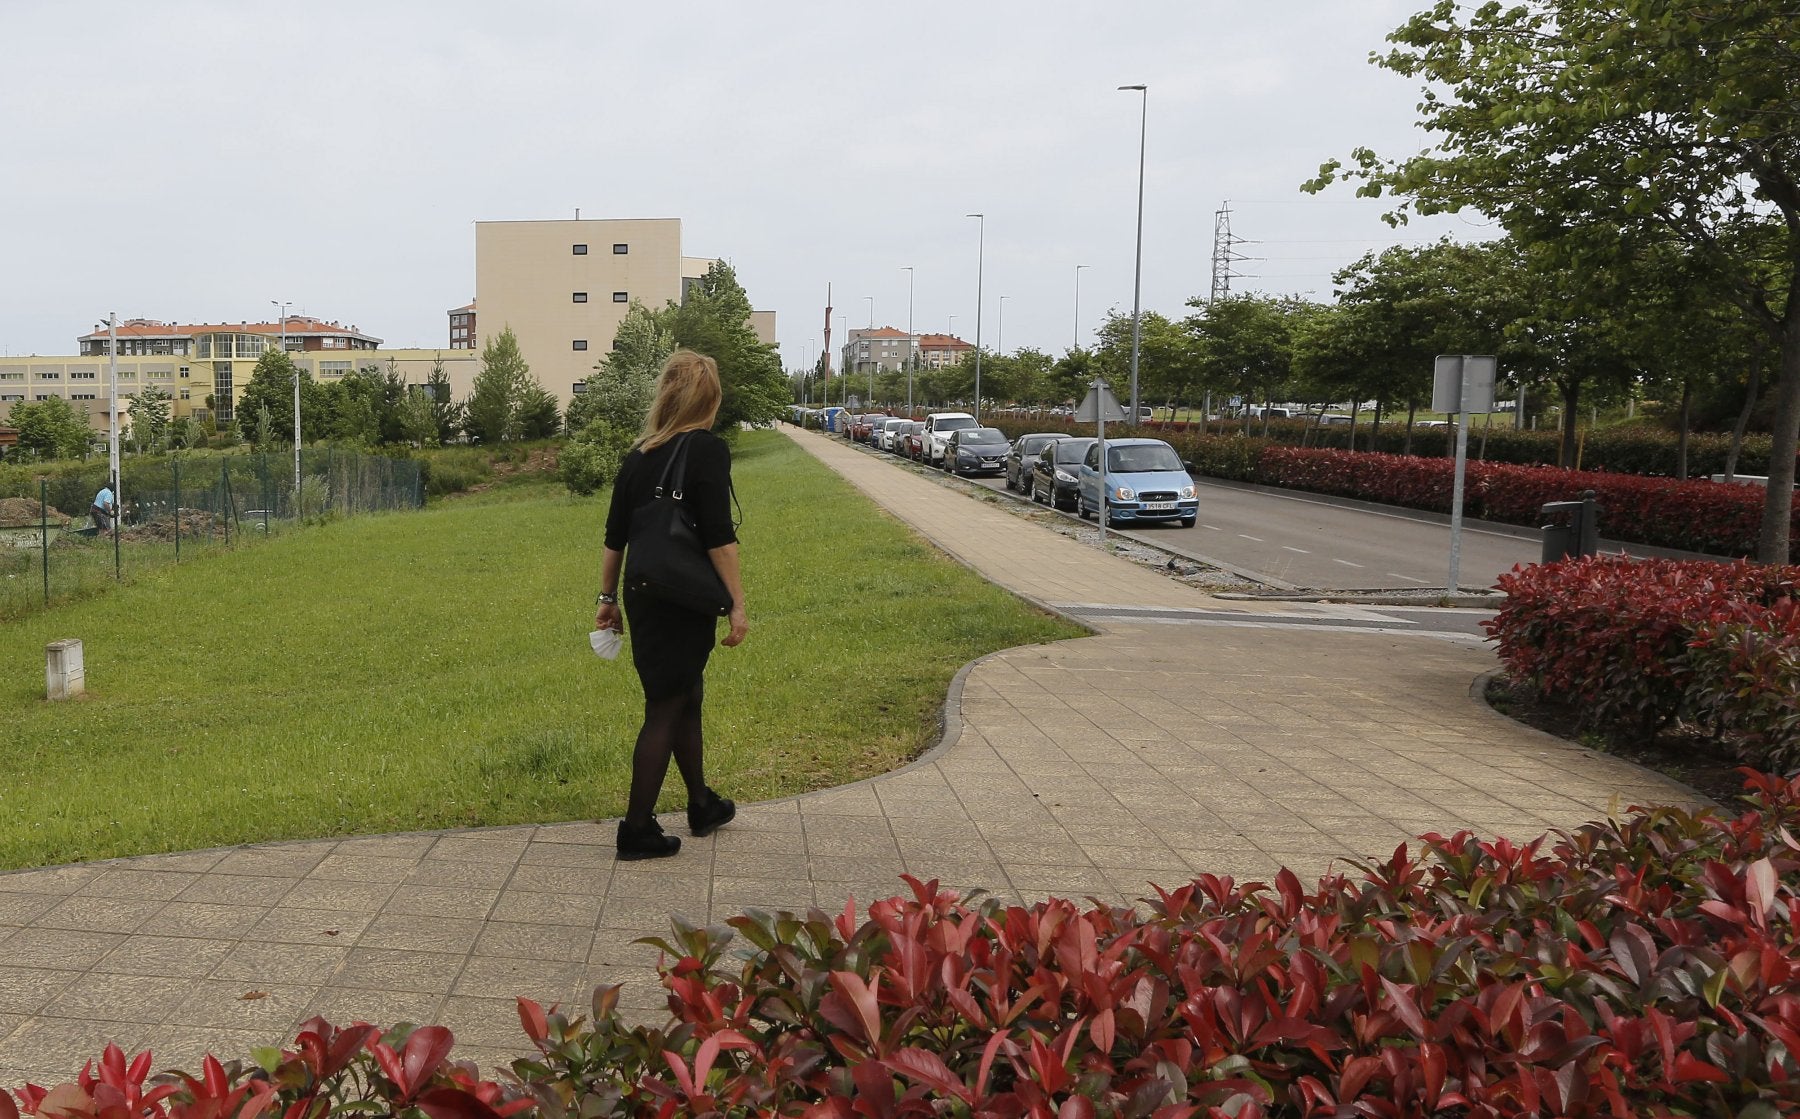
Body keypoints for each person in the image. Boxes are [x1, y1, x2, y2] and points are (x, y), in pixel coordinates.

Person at [595, 350, 747, 860]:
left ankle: (701, 803)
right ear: (710, 397)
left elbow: (615, 538)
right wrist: (737, 604)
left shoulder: (638, 456)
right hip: (685, 598)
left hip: (643, 594)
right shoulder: (705, 450)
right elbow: (720, 539)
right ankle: (635, 829)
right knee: (665, 707)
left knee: (684, 694)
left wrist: (606, 600)